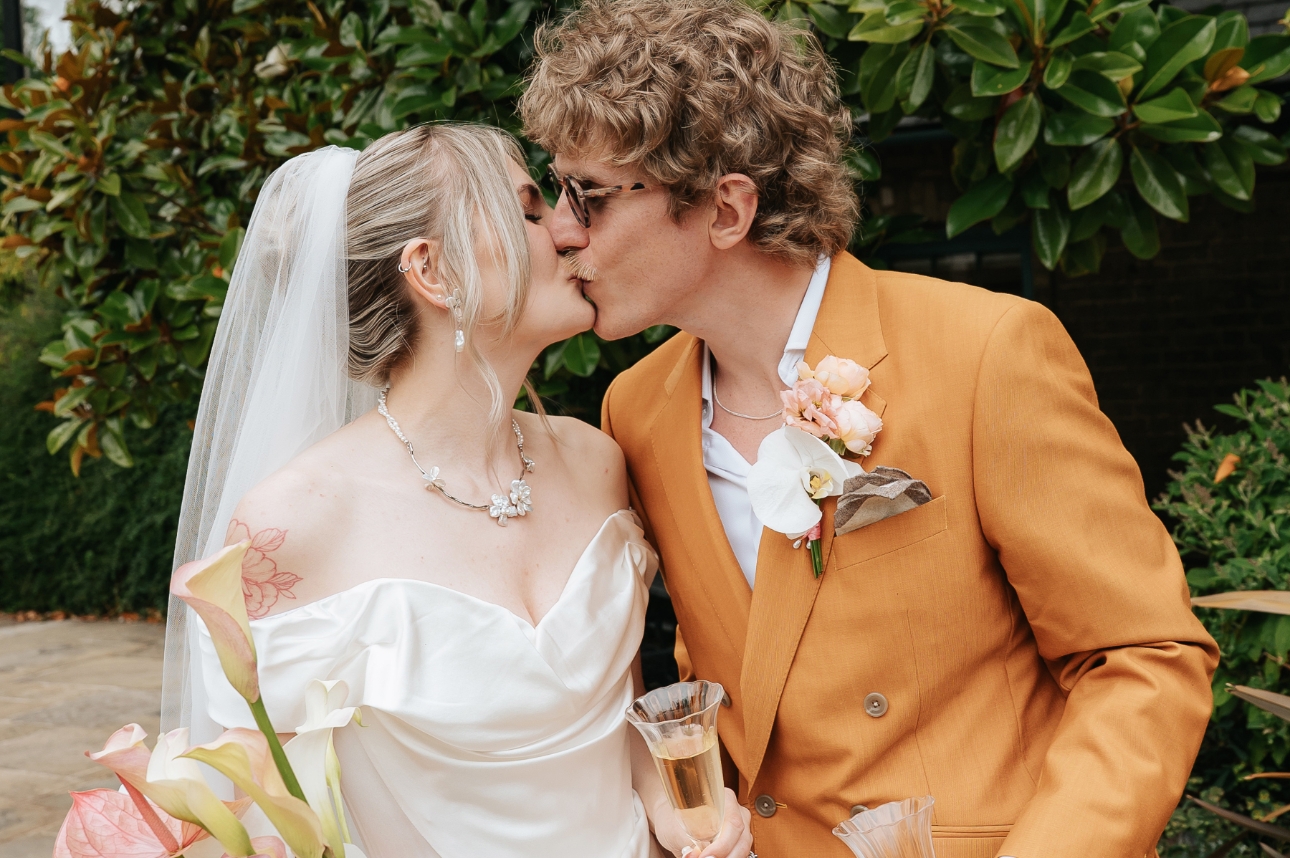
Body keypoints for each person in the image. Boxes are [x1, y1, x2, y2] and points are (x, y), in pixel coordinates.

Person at [519, 1, 1221, 856]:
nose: (560, 229)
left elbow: (1143, 656)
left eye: (586, 195)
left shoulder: (985, 352)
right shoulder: (635, 409)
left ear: (726, 209)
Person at [159, 125, 752, 858]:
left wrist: (675, 811)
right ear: (433, 272)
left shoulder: (596, 461)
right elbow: (262, 810)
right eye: (531, 210)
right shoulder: (297, 519)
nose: (570, 232)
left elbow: (623, 721)